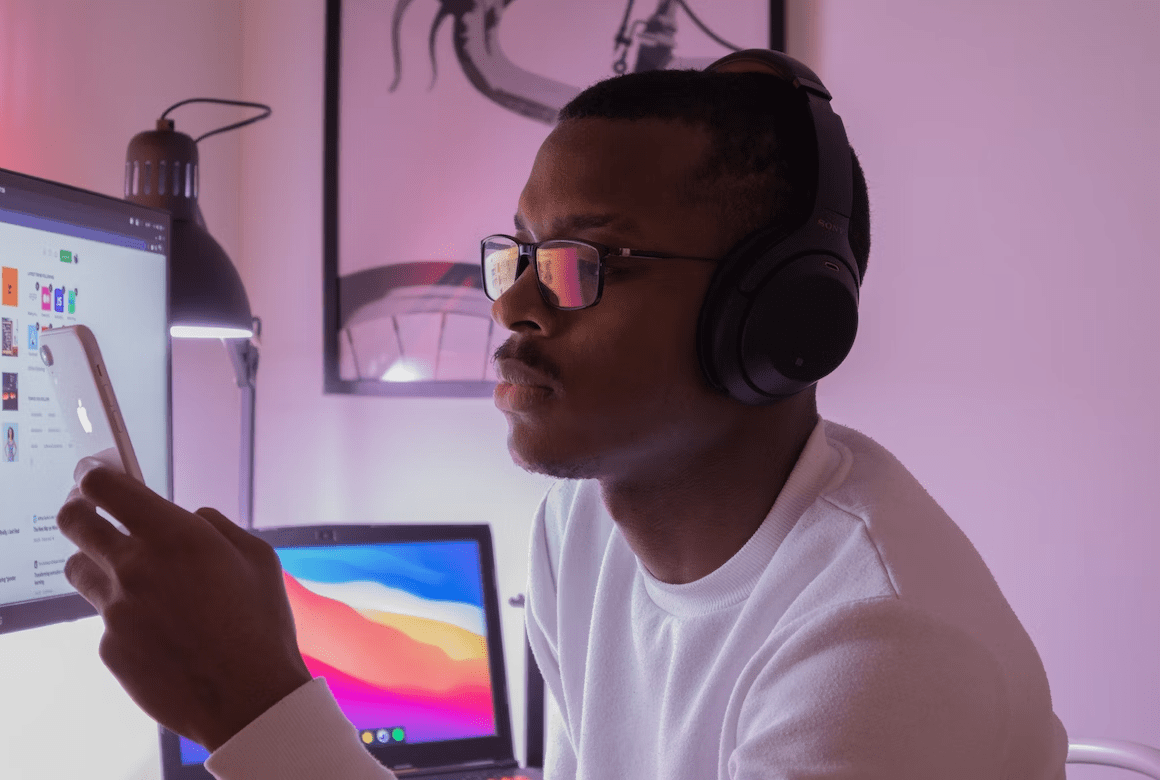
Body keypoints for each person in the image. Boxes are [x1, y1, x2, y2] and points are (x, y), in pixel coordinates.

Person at [56, 50, 1069, 780]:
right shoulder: (584, 527)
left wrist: (257, 711)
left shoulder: (874, 652)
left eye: (587, 261)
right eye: (521, 254)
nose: (514, 305)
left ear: (776, 322)